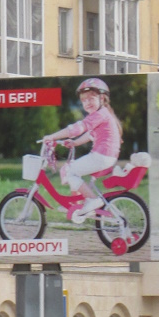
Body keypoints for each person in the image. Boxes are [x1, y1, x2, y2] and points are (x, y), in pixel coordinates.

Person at [42, 78, 121, 224]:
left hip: (102, 155)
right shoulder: (102, 114)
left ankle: (92, 200)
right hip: (106, 156)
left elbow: (77, 129)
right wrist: (75, 142)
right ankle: (75, 205)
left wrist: (52, 136)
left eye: (91, 98)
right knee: (72, 169)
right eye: (84, 100)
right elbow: (91, 134)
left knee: (70, 171)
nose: (87, 103)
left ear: (102, 98)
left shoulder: (100, 114)